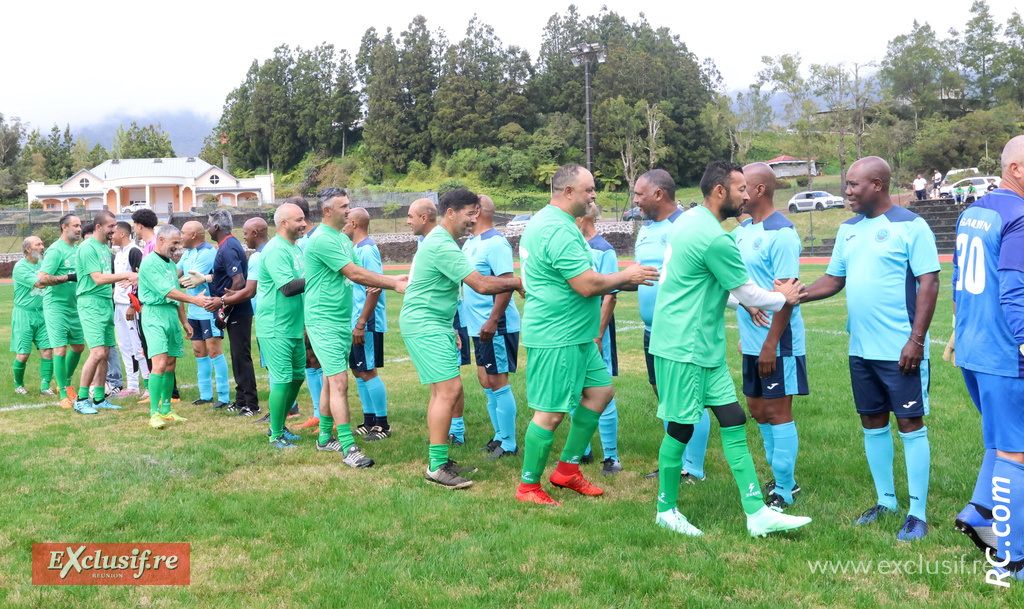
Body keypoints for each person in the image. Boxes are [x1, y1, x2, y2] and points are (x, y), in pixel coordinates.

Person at [649, 160, 811, 538]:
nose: (744, 195)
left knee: (734, 418)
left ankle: (757, 513)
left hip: (703, 348)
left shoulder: (690, 221)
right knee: (680, 428)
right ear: (720, 191)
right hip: (683, 348)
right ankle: (665, 509)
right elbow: (748, 289)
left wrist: (745, 304)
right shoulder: (714, 237)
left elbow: (708, 284)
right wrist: (779, 296)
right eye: (739, 189)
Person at [801, 156, 940, 541]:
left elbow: (929, 283)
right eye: (846, 185)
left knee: (910, 425)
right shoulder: (848, 230)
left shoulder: (912, 226)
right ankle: (886, 501)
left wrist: (916, 340)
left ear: (877, 184)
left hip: (902, 351)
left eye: (853, 185)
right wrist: (795, 295)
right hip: (861, 350)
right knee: (872, 422)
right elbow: (833, 279)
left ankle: (917, 513)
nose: (846, 192)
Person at [516, 164, 659, 507]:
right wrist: (626, 276)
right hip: (557, 334)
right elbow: (585, 285)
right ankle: (528, 486)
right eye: (589, 189)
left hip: (576, 334)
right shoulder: (557, 229)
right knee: (550, 413)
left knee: (600, 392)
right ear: (567, 192)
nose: (595, 195)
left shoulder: (552, 223)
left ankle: (566, 470)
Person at [400, 188, 524, 489]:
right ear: (451, 213)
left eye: (476, 212)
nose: (473, 218)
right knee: (449, 390)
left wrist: (450, 326)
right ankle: (437, 467)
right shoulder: (442, 244)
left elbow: (443, 289)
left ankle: (439, 459)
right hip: (424, 323)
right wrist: (518, 281)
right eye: (470, 213)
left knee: (441, 391)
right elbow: (480, 284)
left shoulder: (445, 242)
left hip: (433, 322)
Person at [950, 135, 1024, 582]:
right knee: (1016, 452)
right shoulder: (1020, 215)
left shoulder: (974, 210)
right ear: (1017, 169)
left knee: (1001, 439)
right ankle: (1013, 559)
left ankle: (978, 513)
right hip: (1004, 354)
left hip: (974, 348)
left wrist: (959, 332)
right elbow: (1015, 289)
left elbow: (962, 277)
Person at [303, 187, 407, 465]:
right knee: (339, 382)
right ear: (327, 211)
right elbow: (355, 273)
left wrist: (400, 277)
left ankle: (325, 438)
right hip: (323, 321)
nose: (348, 210)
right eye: (343, 206)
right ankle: (349, 448)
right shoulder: (322, 240)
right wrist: (394, 284)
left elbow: (367, 275)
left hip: (339, 320)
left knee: (329, 378)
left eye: (349, 205)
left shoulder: (342, 239)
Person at [734, 163, 809, 510]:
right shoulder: (744, 230)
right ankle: (784, 479)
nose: (737, 192)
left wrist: (769, 344)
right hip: (752, 341)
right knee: (757, 410)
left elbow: (787, 297)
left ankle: (784, 488)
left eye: (742, 186)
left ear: (759, 190)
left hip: (778, 343)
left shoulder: (782, 234)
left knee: (778, 412)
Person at [632, 169, 712, 483]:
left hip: (682, 330)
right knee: (665, 398)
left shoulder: (687, 226)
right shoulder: (645, 230)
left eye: (639, 194)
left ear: (659, 194)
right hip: (652, 330)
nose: (635, 200)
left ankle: (693, 469)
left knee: (689, 398)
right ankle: (677, 463)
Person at [460, 194, 521, 459]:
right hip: (477, 326)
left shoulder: (496, 243)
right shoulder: (472, 243)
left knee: (498, 380)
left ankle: (509, 444)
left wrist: (494, 319)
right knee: (485, 378)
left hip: (496, 324)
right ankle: (499, 436)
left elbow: (507, 283)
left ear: (477, 211)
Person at [138, 224, 215, 428]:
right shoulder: (149, 263)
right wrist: (195, 301)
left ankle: (166, 410)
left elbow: (175, 293)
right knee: (160, 363)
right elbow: (168, 292)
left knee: (171, 363)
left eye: (179, 243)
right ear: (161, 240)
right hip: (155, 314)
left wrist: (184, 321)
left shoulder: (171, 264)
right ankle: (154, 413)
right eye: (175, 243)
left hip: (171, 314)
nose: (177, 247)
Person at [574, 202, 622, 475]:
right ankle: (583, 451)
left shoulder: (604, 250)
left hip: (595, 331)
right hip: (575, 329)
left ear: (584, 217)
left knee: (601, 389)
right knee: (576, 388)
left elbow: (610, 295)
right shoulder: (572, 246)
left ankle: (611, 458)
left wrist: (599, 333)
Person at [255, 203, 308, 447]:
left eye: (304, 219)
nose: (304, 224)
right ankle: (275, 434)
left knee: (297, 377)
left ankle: (278, 425)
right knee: (284, 379)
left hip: (294, 325)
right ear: (284, 223)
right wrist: (318, 277)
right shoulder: (276, 249)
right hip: (275, 326)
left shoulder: (296, 248)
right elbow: (287, 288)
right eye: (298, 220)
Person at [74, 211, 138, 414]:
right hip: (90, 303)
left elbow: (106, 280)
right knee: (97, 352)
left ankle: (99, 399)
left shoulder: (103, 248)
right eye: (111, 226)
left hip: (104, 303)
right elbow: (98, 279)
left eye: (115, 225)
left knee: (106, 352)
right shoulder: (87, 248)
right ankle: (82, 398)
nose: (114, 230)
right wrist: (127, 274)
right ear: (99, 227)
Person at [343, 206, 393, 441]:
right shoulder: (356, 249)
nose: (342, 225)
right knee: (358, 370)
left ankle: (382, 425)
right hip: (356, 320)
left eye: (345, 221)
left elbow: (374, 287)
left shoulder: (367, 250)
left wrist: (362, 322)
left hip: (367, 321)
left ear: (354, 224)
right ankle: (369, 419)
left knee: (368, 370)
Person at [204, 209, 258, 416]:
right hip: (235, 309)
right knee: (237, 356)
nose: (207, 228)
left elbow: (239, 282)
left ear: (216, 227)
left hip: (238, 310)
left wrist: (224, 307)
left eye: (208, 224)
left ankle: (251, 404)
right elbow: (226, 277)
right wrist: (207, 278)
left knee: (241, 356)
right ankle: (241, 399)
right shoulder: (228, 244)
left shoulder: (227, 247)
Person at [177, 221, 230, 408]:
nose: (180, 236)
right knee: (199, 352)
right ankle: (205, 394)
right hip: (193, 310)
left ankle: (223, 396)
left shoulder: (208, 253)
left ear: (193, 235)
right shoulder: (187, 253)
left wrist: (175, 282)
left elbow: (186, 281)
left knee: (214, 351)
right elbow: (176, 275)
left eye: (183, 232)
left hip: (209, 309)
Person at [36, 214, 85, 408]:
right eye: (75, 226)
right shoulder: (55, 250)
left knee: (79, 347)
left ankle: (65, 380)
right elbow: (41, 280)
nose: (79, 229)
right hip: (56, 306)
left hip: (76, 306)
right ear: (64, 227)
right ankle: (64, 393)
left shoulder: (79, 249)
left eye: (80, 225)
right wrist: (68, 277)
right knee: (60, 348)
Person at [291, 195, 324, 425]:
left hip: (317, 312)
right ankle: (317, 413)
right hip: (301, 310)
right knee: (309, 361)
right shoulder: (298, 242)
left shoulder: (317, 240)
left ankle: (327, 416)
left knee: (321, 362)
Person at [11, 236, 54, 395]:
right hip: (24, 314)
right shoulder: (20, 267)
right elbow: (39, 283)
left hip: (43, 313)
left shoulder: (44, 264)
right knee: (23, 354)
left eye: (43, 243)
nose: (42, 247)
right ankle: (19, 385)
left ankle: (45, 387)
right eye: (38, 244)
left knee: (48, 351)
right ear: (28, 249)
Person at [111, 222, 148, 396]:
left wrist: (134, 305)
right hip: (118, 306)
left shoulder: (134, 252)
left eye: (114, 232)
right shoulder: (118, 254)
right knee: (124, 346)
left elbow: (140, 280)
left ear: (123, 234)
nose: (111, 235)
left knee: (138, 346)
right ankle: (132, 385)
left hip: (130, 306)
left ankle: (148, 384)